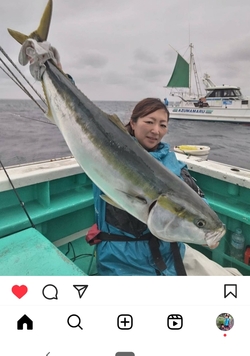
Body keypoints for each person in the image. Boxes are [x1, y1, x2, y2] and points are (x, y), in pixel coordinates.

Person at [87, 97, 242, 276]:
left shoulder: (172, 162)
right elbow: (79, 118)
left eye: (163, 124)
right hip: (124, 261)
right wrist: (63, 79)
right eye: (149, 122)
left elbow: (198, 201)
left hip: (172, 256)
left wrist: (204, 230)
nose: (156, 130)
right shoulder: (110, 150)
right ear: (133, 122)